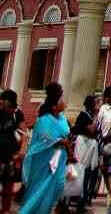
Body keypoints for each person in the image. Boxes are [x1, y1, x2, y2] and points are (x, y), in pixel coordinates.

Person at [21, 83, 73, 214]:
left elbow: (66, 137)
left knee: (57, 187)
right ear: (54, 105)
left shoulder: (62, 119)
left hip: (60, 159)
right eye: (61, 99)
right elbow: (44, 138)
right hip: (46, 160)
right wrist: (62, 142)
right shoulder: (44, 120)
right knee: (42, 188)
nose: (64, 102)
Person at [72, 95, 101, 212]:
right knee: (81, 172)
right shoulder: (85, 115)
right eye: (97, 102)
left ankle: (83, 199)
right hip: (84, 145)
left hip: (91, 146)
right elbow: (91, 130)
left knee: (89, 173)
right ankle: (78, 200)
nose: (99, 105)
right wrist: (95, 116)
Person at [0, 89, 26, 214]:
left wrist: (22, 150)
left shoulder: (17, 114)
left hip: (10, 155)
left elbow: (24, 133)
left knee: (8, 185)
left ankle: (5, 210)